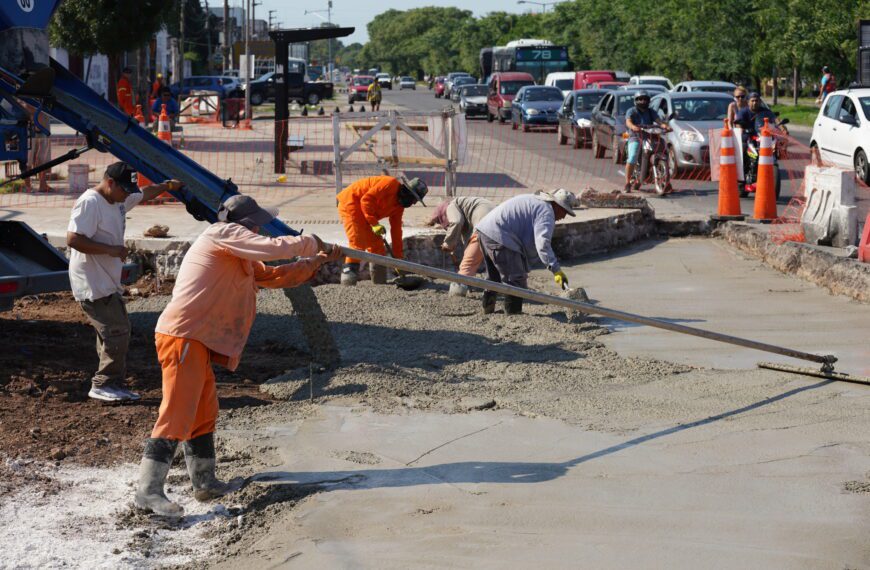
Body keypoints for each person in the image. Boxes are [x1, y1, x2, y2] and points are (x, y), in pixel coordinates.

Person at [134, 195, 341, 517]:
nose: (260, 227)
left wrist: (316, 262)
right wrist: (310, 242)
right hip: (183, 335)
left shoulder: (238, 254)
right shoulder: (221, 234)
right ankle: (148, 491)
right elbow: (273, 249)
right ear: (244, 223)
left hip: (197, 338)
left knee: (203, 411)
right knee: (177, 411)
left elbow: (274, 276)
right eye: (256, 222)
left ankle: (205, 483)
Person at [67, 162, 183, 402]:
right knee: (117, 331)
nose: (128, 195)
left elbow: (144, 193)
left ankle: (110, 383)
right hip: (92, 280)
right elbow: (73, 239)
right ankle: (104, 384)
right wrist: (111, 250)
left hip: (105, 280)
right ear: (109, 182)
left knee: (111, 332)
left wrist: (168, 186)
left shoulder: (118, 198)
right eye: (124, 190)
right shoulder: (90, 203)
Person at [474, 189, 578, 315]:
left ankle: (488, 310)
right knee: (516, 278)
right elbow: (543, 245)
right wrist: (556, 270)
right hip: (499, 235)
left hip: (486, 230)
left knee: (493, 276)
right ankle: (514, 314)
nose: (563, 217)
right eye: (565, 211)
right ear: (557, 205)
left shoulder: (537, 201)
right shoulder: (547, 213)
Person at [336, 176, 428, 286]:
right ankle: (348, 280)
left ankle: (379, 284)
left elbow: (396, 230)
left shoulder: (399, 207)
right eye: (414, 199)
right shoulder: (389, 184)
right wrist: (374, 224)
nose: (413, 203)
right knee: (357, 241)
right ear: (407, 192)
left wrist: (398, 259)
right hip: (351, 202)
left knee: (377, 247)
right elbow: (366, 200)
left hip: (368, 211)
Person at [426, 196, 495, 296]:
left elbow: (456, 222)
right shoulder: (468, 210)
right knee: (496, 263)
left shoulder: (450, 206)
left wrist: (448, 243)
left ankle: (457, 294)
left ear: (442, 214)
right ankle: (504, 291)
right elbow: (468, 240)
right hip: (499, 222)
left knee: (467, 265)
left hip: (485, 225)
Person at [624, 91, 670, 192]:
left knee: (662, 148)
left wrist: (665, 126)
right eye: (640, 99)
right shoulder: (631, 111)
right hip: (635, 136)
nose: (643, 101)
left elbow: (658, 121)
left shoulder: (651, 111)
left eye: (645, 99)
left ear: (648, 101)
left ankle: (667, 180)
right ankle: (627, 183)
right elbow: (628, 121)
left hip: (649, 136)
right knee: (632, 158)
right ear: (636, 100)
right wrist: (633, 126)